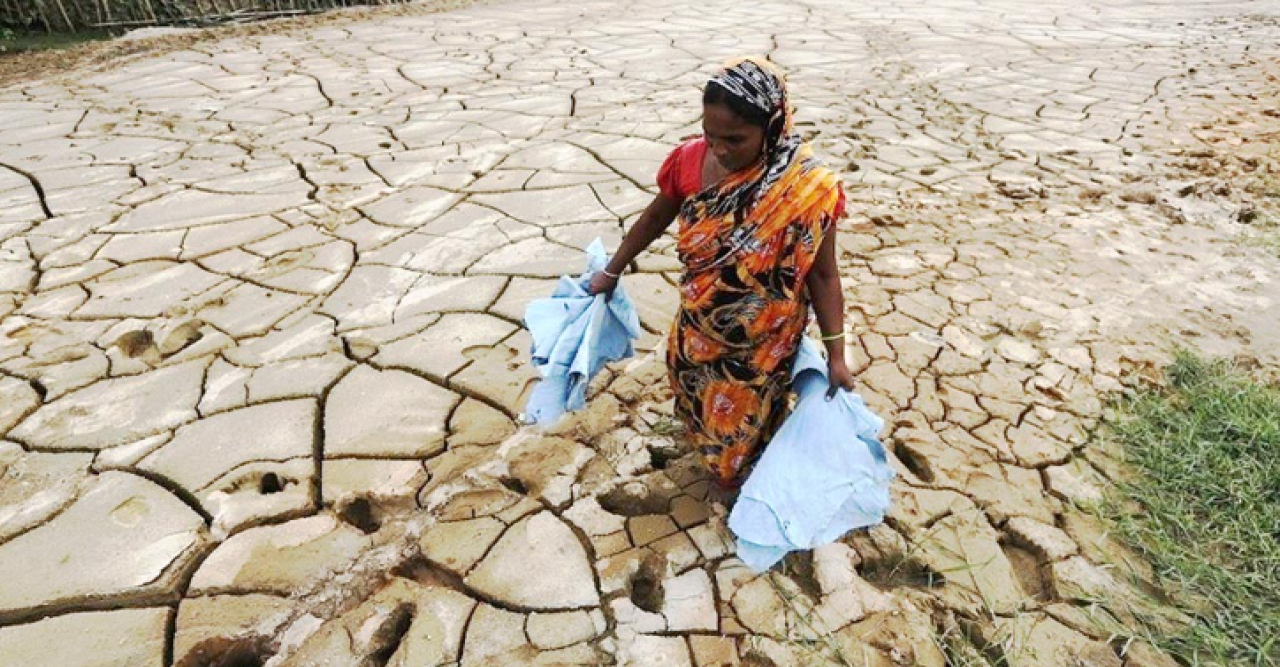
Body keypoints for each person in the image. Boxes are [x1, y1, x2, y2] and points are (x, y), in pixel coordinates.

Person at [588, 57, 854, 490]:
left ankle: (736, 480)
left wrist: (837, 356)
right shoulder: (691, 161)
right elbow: (655, 218)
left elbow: (823, 277)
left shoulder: (805, 189)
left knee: (744, 424)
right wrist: (612, 270)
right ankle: (716, 458)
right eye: (712, 136)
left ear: (772, 128)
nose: (721, 150)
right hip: (699, 326)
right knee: (691, 390)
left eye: (735, 139)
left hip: (765, 342)